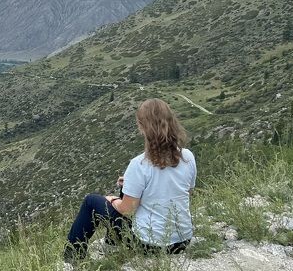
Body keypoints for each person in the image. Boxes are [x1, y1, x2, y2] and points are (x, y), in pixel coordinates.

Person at [64, 98, 196, 261]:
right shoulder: (187, 156)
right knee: (125, 191)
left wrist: (112, 200)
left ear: (142, 127)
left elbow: (126, 210)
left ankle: (72, 257)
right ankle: (111, 244)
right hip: (183, 240)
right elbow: (186, 191)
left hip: (150, 245)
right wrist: (131, 185)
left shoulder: (139, 164)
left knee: (91, 201)